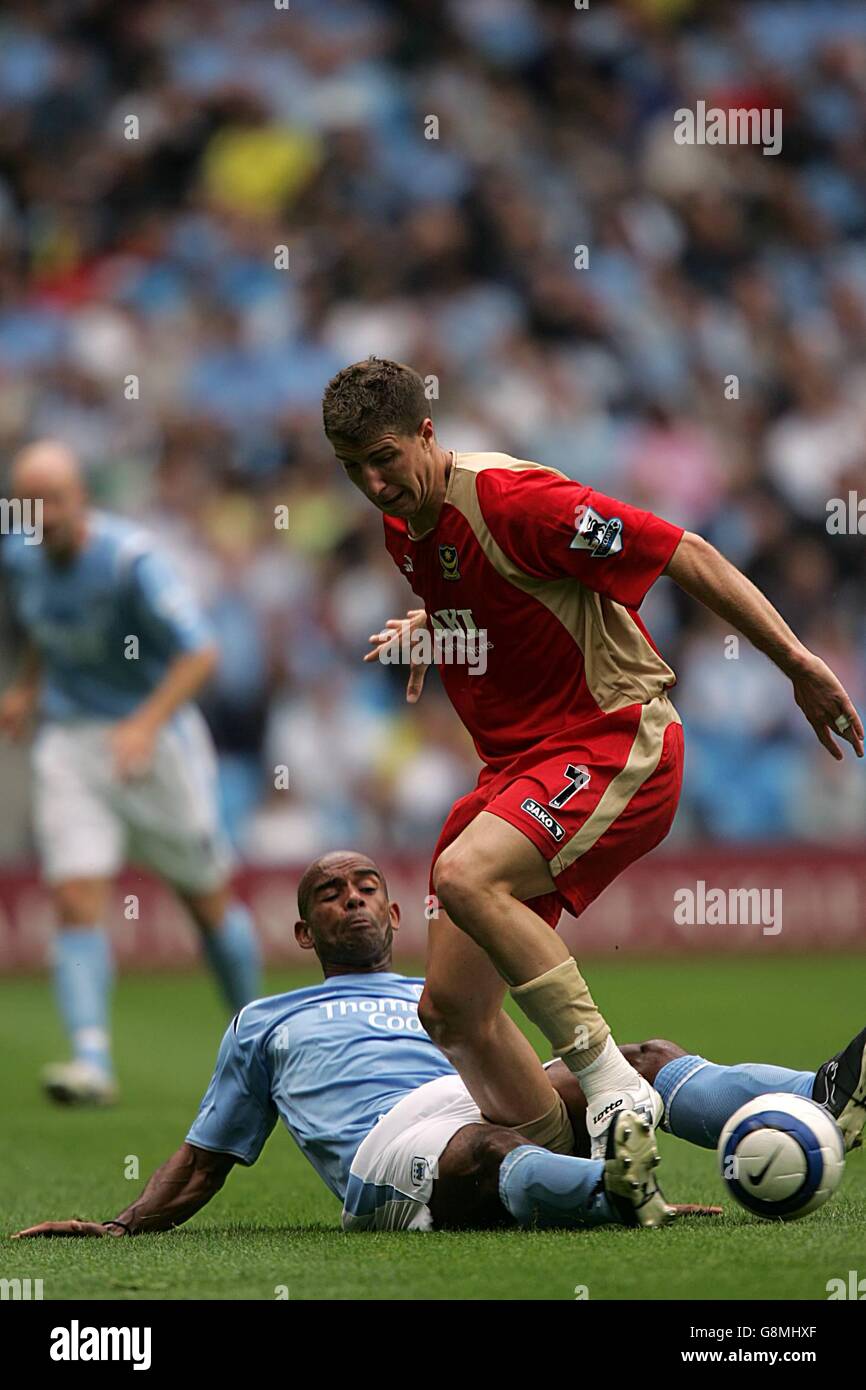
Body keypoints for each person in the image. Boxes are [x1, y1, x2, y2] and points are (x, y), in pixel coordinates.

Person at [321, 357, 864, 1163]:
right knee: (453, 1011)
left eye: (386, 459)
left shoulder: (518, 502)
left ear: (427, 435)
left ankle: (613, 1089)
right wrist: (435, 632)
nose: (373, 482)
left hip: (617, 737)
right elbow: (512, 609)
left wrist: (798, 663)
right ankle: (578, 1174)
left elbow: (686, 551)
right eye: (353, 468)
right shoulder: (403, 523)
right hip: (518, 768)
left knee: (470, 874)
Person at [12, 851, 864, 1240]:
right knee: (486, 1150)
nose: (351, 900)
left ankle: (818, 1092)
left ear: (393, 914)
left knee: (633, 1060)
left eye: (366, 888)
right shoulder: (264, 1020)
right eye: (329, 895)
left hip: (473, 1097)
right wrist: (123, 1227)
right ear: (304, 932)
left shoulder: (437, 997)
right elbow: (206, 1159)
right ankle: (614, 1195)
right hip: (392, 1153)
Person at [0, 441, 262, 1106]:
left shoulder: (129, 561)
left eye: (54, 500)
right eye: (30, 503)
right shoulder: (19, 560)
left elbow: (201, 652)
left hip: (155, 741)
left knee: (206, 899)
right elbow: (40, 626)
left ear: (82, 497)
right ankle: (91, 1058)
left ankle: (258, 1035)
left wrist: (145, 724)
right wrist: (29, 689)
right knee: (74, 897)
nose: (43, 516)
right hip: (71, 742)